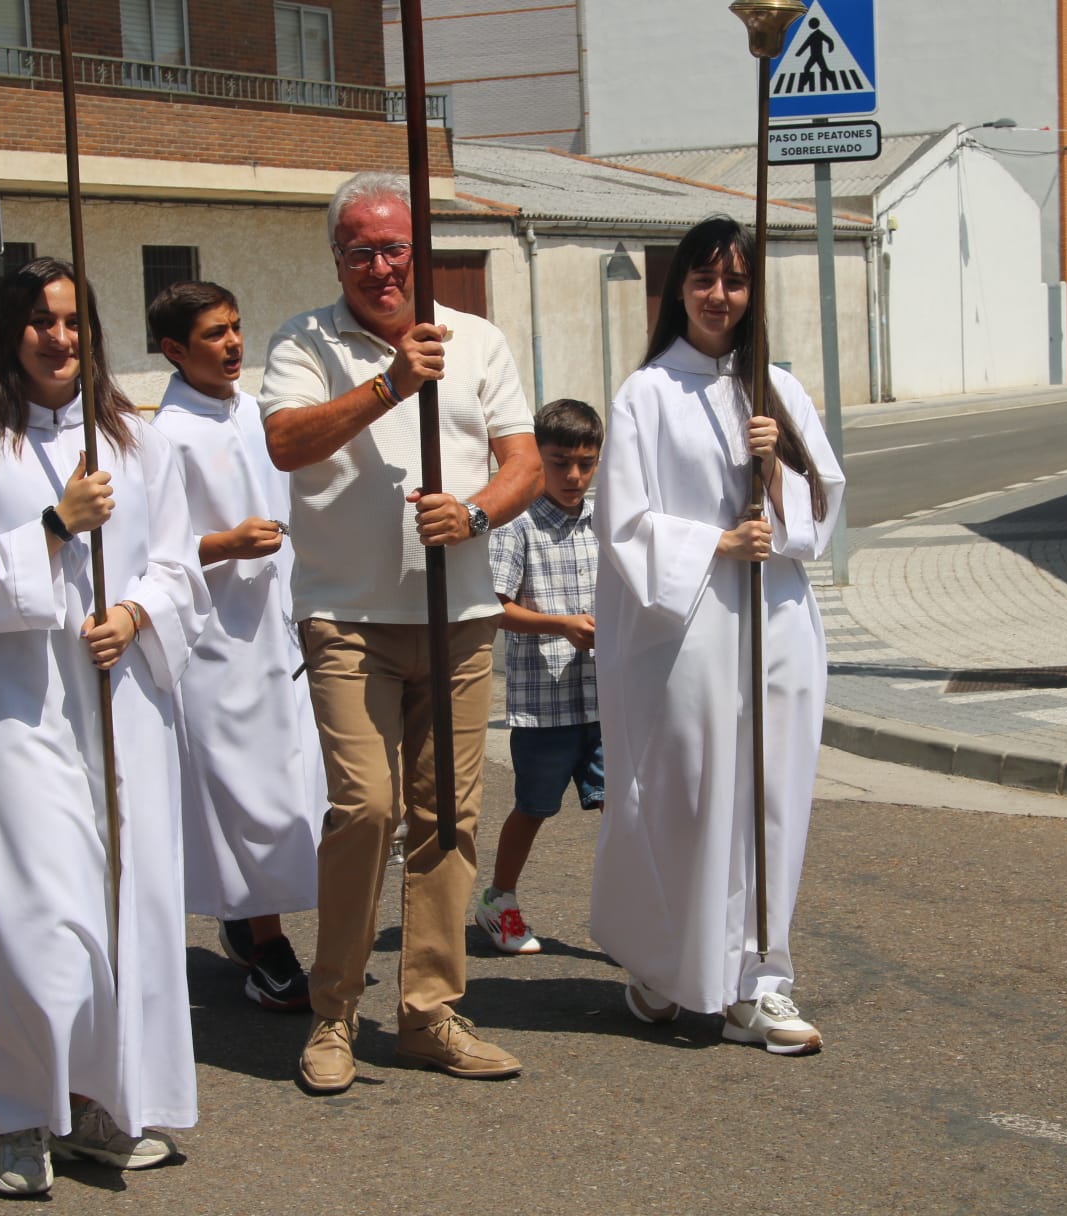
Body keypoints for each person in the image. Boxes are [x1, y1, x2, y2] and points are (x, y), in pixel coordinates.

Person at [0, 257, 208, 1195]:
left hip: (123, 705)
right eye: (41, 321)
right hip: (17, 713)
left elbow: (179, 569)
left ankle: (100, 1104)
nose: (60, 338)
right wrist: (53, 523)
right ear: (9, 331)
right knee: (38, 921)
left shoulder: (137, 442)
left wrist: (134, 616)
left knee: (130, 911)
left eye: (75, 320)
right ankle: (18, 1113)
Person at [261, 170, 541, 1093]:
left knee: (449, 817)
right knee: (367, 807)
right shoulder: (302, 342)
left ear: (416, 252)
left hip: (457, 615)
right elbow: (288, 442)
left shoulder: (480, 340)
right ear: (336, 258)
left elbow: (524, 461)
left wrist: (476, 516)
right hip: (345, 614)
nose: (380, 268)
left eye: (394, 249)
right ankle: (333, 1012)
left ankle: (427, 1012)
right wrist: (390, 384)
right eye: (361, 252)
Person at [590, 215, 846, 1055]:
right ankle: (664, 964)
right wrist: (716, 542)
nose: (720, 297)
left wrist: (775, 466)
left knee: (772, 803)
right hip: (691, 633)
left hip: (774, 626)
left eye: (735, 281)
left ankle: (757, 983)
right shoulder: (646, 394)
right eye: (704, 279)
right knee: (693, 801)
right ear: (679, 290)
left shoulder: (775, 388)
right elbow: (624, 522)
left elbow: (825, 505)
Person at [148, 280, 324, 1013]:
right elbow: (147, 550)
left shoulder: (259, 413)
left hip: (284, 628)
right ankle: (268, 942)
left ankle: (251, 923)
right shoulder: (162, 436)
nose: (232, 344)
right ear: (173, 350)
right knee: (245, 794)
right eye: (214, 334)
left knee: (299, 787)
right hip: (216, 640)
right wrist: (222, 543)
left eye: (236, 328)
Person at [477, 399, 604, 956]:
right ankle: (498, 900)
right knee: (532, 807)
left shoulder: (609, 521)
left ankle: (632, 914)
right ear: (538, 459)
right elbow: (493, 607)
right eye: (559, 462)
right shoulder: (517, 523)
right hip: (543, 705)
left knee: (622, 811)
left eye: (586, 462)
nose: (574, 476)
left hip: (606, 700)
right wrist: (560, 624)